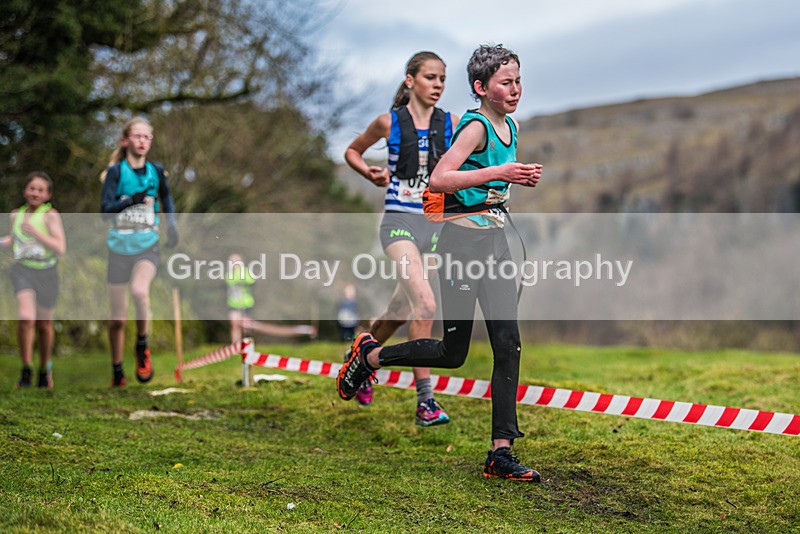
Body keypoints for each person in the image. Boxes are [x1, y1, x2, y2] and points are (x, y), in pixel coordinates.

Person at [338, 45, 543, 481]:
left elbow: (481, 186)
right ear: (481, 88)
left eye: (518, 81)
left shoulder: (511, 126)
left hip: (495, 245)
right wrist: (500, 174)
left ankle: (500, 453)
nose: (515, 89)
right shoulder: (472, 125)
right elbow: (440, 178)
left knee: (508, 344)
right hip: (459, 246)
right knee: (453, 351)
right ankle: (370, 357)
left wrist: (507, 183)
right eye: (506, 83)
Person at [343, 51, 457, 423]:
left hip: (436, 226)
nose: (437, 85)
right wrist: (368, 174)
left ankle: (360, 357)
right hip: (399, 224)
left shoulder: (452, 124)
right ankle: (426, 401)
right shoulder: (387, 123)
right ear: (410, 80)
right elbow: (352, 151)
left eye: (442, 78)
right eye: (430, 77)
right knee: (425, 304)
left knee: (399, 309)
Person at [100, 117, 179, 387]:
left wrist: (172, 225)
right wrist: (129, 202)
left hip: (147, 246)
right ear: (126, 140)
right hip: (118, 248)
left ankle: (142, 346)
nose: (142, 141)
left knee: (140, 291)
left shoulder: (156, 171)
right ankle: (117, 370)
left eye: (147, 137)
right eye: (137, 136)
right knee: (118, 319)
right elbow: (103, 212)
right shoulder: (115, 172)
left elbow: (166, 197)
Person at [1, 172, 66, 388]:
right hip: (23, 271)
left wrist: (38, 234)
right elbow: (15, 240)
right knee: (26, 317)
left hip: (47, 272)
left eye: (40, 190)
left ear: (48, 194)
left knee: (44, 325)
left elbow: (60, 247)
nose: (35, 193)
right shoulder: (15, 215)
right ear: (25, 191)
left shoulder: (51, 216)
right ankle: (26, 369)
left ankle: (45, 367)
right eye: (31, 188)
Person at [226, 253, 316, 346]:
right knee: (234, 324)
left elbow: (251, 280)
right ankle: (234, 346)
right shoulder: (229, 274)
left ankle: (246, 346)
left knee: (246, 326)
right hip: (233, 304)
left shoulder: (246, 272)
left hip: (246, 304)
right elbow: (230, 281)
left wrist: (242, 278)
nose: (233, 264)